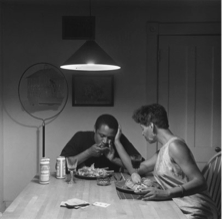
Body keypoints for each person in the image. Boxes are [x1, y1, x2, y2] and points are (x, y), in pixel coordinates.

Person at [115, 104, 218, 219]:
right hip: (178, 207)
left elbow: (200, 182)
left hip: (196, 210)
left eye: (142, 129)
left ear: (152, 126)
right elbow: (136, 169)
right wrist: (117, 143)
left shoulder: (175, 146)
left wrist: (166, 193)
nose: (142, 133)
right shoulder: (162, 151)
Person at [61, 114, 142, 180]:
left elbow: (140, 168)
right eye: (102, 136)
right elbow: (60, 167)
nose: (105, 141)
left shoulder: (118, 140)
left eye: (110, 137)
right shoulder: (80, 137)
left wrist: (114, 159)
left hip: (111, 185)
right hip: (81, 184)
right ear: (94, 130)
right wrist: (89, 152)